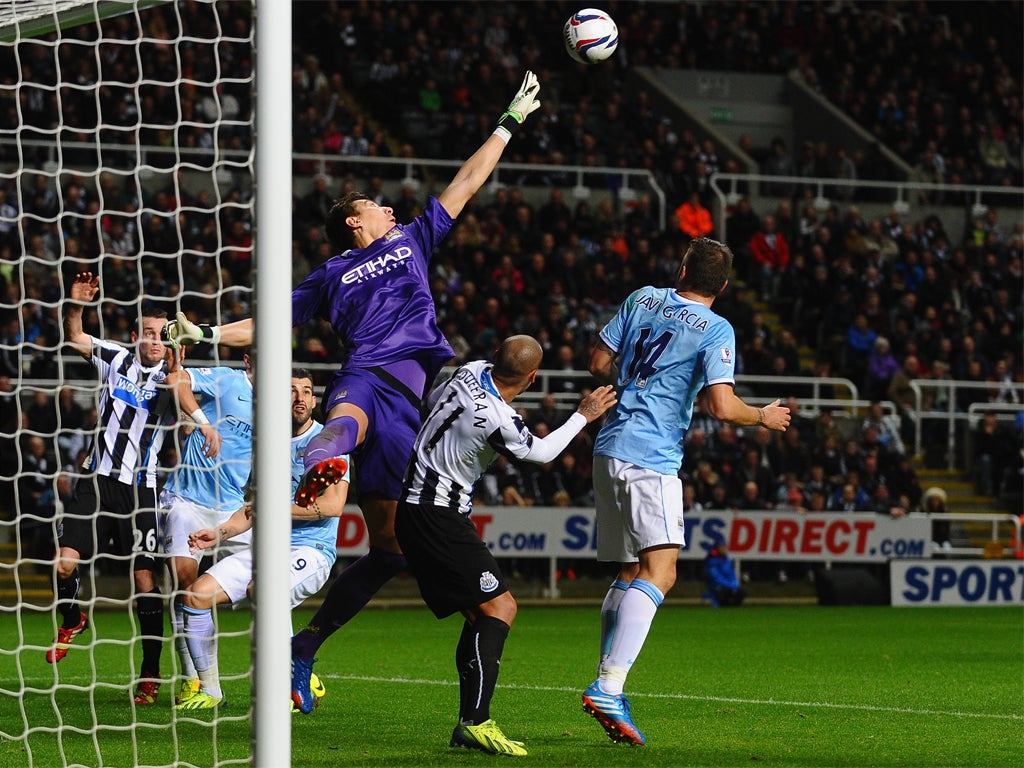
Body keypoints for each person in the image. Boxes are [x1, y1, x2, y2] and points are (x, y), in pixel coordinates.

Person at [161, 72, 543, 705]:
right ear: (355, 223)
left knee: (391, 550)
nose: (392, 208)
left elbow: (468, 182)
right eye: (377, 206)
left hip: (408, 400)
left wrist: (506, 123)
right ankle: (316, 453)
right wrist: (204, 330)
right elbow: (269, 319)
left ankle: (302, 648)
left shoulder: (413, 240)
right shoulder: (331, 274)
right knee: (343, 423)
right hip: (365, 377)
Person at [582, 237, 791, 746]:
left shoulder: (641, 298)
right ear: (722, 286)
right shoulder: (717, 328)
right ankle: (609, 685)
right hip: (651, 456)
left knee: (628, 571)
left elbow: (595, 363)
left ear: (681, 271)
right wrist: (762, 416)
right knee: (662, 571)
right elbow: (722, 406)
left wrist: (634, 383)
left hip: (608, 447)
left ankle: (609, 678)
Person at [393, 336, 617, 755]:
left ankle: (470, 722)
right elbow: (543, 452)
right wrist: (583, 416)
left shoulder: (470, 370)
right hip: (435, 514)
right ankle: (476, 722)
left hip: (420, 508)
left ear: (494, 356)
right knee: (501, 607)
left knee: (483, 614)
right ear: (533, 377)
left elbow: (433, 403)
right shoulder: (497, 417)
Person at [180, 370, 350, 710]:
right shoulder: (266, 445)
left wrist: (274, 507)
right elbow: (253, 508)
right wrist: (220, 533)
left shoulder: (329, 442)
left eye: (306, 391)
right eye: (290, 391)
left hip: (311, 550)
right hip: (267, 550)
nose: (299, 397)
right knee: (195, 596)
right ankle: (210, 691)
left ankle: (291, 679)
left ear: (315, 401)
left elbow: (333, 506)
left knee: (264, 590)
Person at [49, 272, 176, 706]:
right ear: (136, 335)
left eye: (161, 334)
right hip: (96, 482)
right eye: (147, 332)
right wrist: (77, 303)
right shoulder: (115, 358)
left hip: (141, 491)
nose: (153, 340)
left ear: (169, 340)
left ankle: (151, 671)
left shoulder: (177, 380)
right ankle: (72, 617)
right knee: (64, 565)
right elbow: (75, 336)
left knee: (145, 580)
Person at [161, 350, 254, 707]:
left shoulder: (279, 402)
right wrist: (201, 421)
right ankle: (197, 681)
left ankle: (294, 665)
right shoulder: (230, 380)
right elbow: (177, 378)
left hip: (232, 505)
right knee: (186, 586)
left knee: (276, 574)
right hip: (186, 499)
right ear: (248, 360)